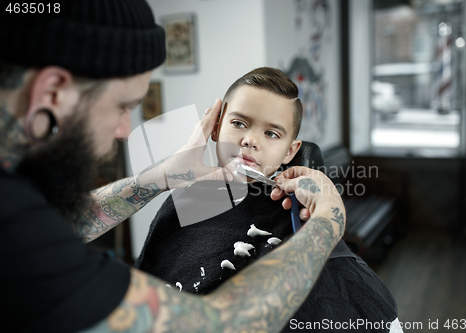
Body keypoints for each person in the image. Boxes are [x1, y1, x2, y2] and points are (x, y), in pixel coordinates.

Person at [0, 1, 346, 332]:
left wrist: (160, 177)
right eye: (123, 107)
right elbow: (221, 325)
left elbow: (59, 224)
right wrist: (329, 220)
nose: (124, 130)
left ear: (291, 149)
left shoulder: (19, 210)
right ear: (53, 92)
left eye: (271, 133)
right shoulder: (16, 229)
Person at [135, 67, 401, 332]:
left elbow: (384, 322)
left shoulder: (295, 216)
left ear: (290, 151)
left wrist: (327, 211)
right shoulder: (185, 197)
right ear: (216, 127)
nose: (250, 140)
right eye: (239, 124)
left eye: (271, 133)